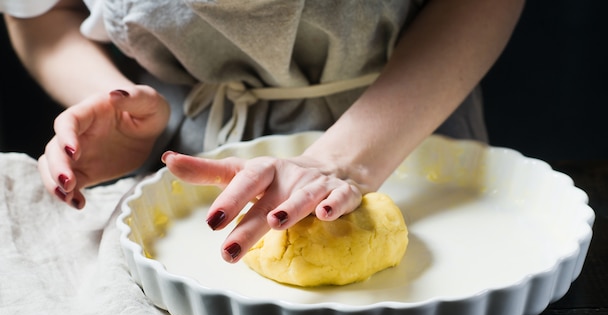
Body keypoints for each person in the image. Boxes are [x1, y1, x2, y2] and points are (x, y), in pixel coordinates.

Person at [2, 0, 525, 263]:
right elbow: (37, 12)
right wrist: (118, 107)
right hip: (190, 156)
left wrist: (344, 162)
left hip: (406, 133)